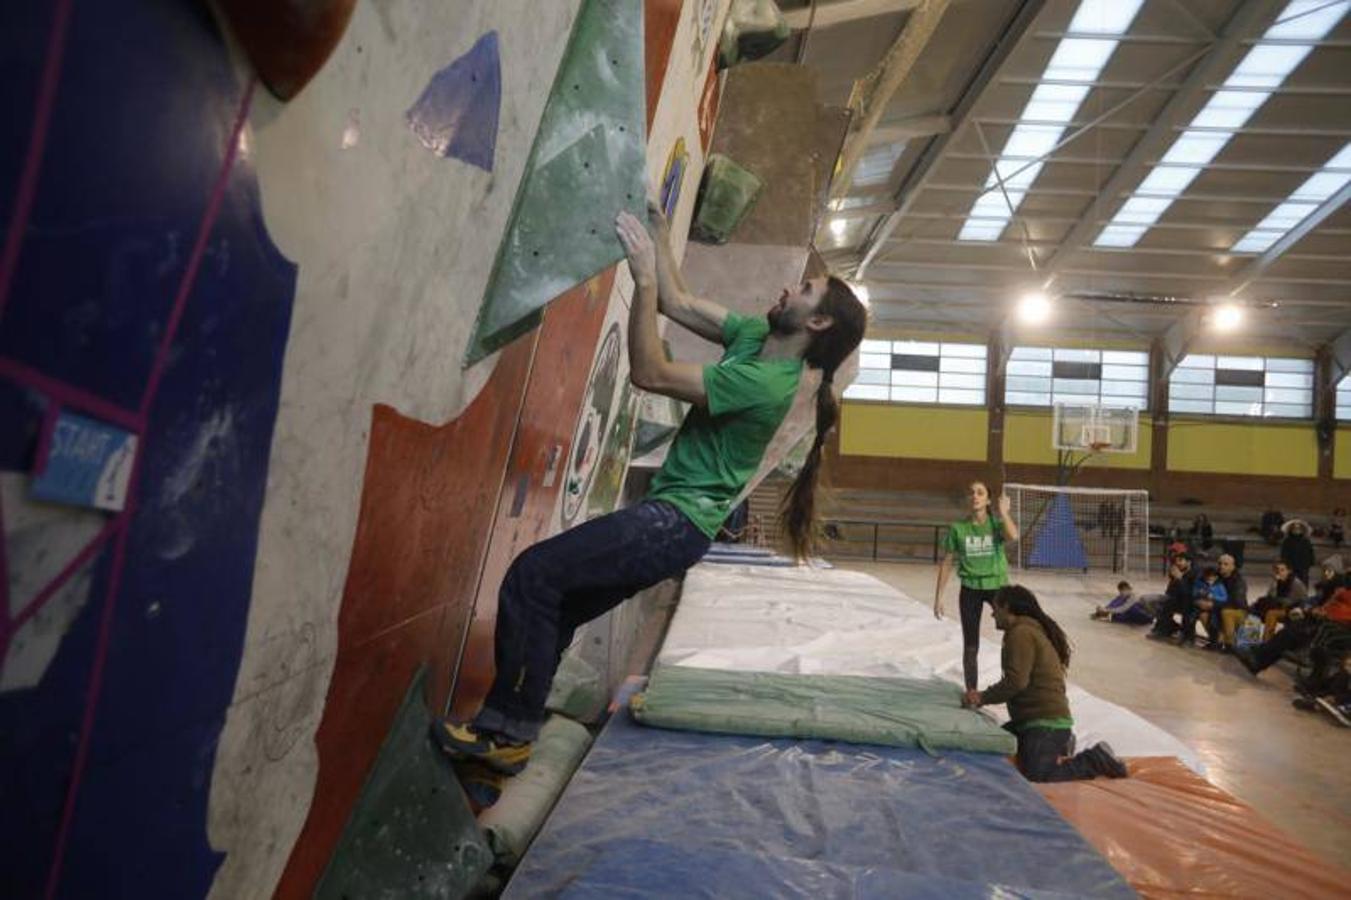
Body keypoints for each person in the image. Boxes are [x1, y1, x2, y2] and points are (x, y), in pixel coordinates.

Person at [433, 205, 867, 778]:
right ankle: (503, 746)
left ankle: (505, 734)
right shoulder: (758, 334)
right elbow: (681, 302)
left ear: (816, 324)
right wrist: (661, 237)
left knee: (534, 577)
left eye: (805, 290)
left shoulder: (766, 383)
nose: (791, 288)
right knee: (554, 610)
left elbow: (651, 372)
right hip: (676, 523)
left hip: (676, 524)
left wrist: (641, 278)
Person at [963, 585, 1128, 782]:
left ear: (1007, 608)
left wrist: (982, 697)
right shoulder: (1027, 630)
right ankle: (1060, 744)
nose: (992, 614)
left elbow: (1016, 682)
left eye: (995, 608)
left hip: (1044, 723)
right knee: (990, 748)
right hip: (1029, 721)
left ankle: (1096, 759)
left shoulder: (1021, 633)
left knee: (1037, 774)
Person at [934, 482, 1020, 691]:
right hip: (970, 589)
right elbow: (947, 563)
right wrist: (938, 597)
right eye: (971, 492)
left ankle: (1013, 685)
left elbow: (1013, 536)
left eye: (980, 493)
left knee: (1014, 635)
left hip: (997, 587)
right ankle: (972, 691)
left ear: (988, 500)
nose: (975, 496)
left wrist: (1004, 513)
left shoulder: (996, 524)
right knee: (970, 645)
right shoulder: (958, 528)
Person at [1236, 582, 1351, 693]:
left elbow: (1342, 613)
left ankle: (1259, 659)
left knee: (1296, 633)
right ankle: (1258, 657)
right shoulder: (1342, 590)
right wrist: (1314, 610)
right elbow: (1326, 605)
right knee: (1292, 630)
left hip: (1337, 628)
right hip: (1323, 622)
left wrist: (1326, 614)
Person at [1146, 552, 1198, 642]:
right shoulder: (1177, 573)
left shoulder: (1195, 574)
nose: (1177, 563)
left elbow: (1189, 593)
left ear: (1189, 562)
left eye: (1180, 560)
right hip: (1174, 600)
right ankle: (1171, 626)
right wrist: (1174, 579)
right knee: (1147, 601)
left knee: (1171, 604)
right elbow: (1169, 591)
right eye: (1176, 561)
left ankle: (1168, 629)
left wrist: (1180, 578)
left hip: (1188, 602)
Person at [1251, 560, 1308, 639]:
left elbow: (1302, 601)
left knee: (1271, 614)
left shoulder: (1296, 583)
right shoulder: (1277, 582)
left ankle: (1266, 641)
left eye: (1282, 570)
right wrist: (1276, 583)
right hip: (1280, 607)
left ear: (1288, 571)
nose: (1279, 572)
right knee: (1254, 610)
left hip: (1293, 609)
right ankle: (1250, 641)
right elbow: (1270, 597)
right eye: (1277, 570)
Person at [1214, 554, 1252, 650]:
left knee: (1226, 612)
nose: (1221, 566)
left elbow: (1236, 601)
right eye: (1220, 563)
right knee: (1204, 613)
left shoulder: (1239, 581)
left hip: (1239, 610)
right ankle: (1215, 640)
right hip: (1222, 607)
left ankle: (1229, 644)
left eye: (1225, 564)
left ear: (1232, 567)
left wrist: (1215, 603)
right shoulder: (1215, 578)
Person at [1188, 565, 1229, 649]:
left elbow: (1224, 598)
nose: (1210, 580)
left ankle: (1216, 640)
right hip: (1201, 605)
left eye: (1212, 578)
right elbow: (1194, 593)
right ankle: (1212, 638)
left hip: (1214, 607)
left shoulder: (1219, 586)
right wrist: (1201, 594)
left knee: (1213, 621)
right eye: (1208, 578)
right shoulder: (1200, 584)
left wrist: (1213, 597)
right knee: (1194, 616)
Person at [1280, 519, 1316, 587]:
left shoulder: (1306, 541)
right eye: (1295, 528)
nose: (1297, 529)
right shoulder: (1287, 541)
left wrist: (1311, 561)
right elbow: (1284, 553)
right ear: (1291, 529)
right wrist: (1284, 562)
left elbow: (1310, 552)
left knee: (1303, 581)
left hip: (1303, 565)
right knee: (1291, 582)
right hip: (1291, 565)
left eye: (1299, 528)